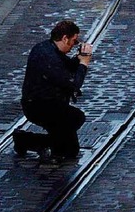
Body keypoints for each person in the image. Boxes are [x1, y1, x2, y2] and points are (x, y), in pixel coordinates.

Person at [12, 20, 93, 163]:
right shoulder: (49, 57)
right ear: (64, 38)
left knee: (70, 147)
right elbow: (73, 85)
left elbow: (66, 66)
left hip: (49, 104)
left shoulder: (45, 47)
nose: (74, 45)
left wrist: (78, 58)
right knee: (75, 123)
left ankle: (26, 140)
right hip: (41, 106)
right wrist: (84, 64)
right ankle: (30, 141)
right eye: (73, 41)